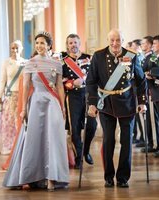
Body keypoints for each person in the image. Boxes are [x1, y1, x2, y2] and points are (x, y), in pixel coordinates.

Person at [3, 31, 69, 191]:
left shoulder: (57, 64)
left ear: (49, 46)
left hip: (52, 103)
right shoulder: (30, 63)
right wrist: (23, 108)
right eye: (37, 43)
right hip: (36, 103)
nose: (39, 46)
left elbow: (60, 86)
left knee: (53, 138)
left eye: (42, 43)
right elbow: (26, 86)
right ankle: (32, 176)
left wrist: (62, 107)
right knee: (35, 139)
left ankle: (53, 177)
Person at [86, 29, 147, 188]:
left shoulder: (131, 56)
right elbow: (91, 81)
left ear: (122, 40)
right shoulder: (98, 56)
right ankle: (108, 176)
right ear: (108, 40)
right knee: (108, 140)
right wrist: (92, 103)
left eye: (118, 40)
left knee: (126, 140)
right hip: (106, 103)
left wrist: (141, 101)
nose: (115, 43)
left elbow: (141, 80)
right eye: (112, 40)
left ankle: (123, 177)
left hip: (127, 102)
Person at [61, 34, 97, 169]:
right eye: (70, 43)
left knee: (92, 126)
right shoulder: (64, 61)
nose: (73, 45)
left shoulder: (89, 58)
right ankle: (78, 157)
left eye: (75, 42)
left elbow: (95, 76)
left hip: (88, 95)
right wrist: (72, 83)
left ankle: (86, 151)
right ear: (67, 45)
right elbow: (61, 81)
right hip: (73, 96)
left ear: (79, 43)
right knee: (74, 128)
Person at [0, 40, 25, 155]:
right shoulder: (6, 63)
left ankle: (19, 145)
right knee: (9, 123)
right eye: (12, 48)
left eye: (17, 48)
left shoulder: (25, 63)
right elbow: (3, 81)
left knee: (20, 122)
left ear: (21, 49)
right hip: (10, 97)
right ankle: (8, 146)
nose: (14, 50)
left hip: (22, 97)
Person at [140, 36, 159, 153]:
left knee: (153, 119)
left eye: (144, 43)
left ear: (149, 45)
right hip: (147, 90)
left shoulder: (152, 57)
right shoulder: (146, 57)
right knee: (148, 118)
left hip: (152, 90)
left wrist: (147, 73)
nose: (142, 45)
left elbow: (153, 71)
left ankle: (154, 144)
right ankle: (150, 142)